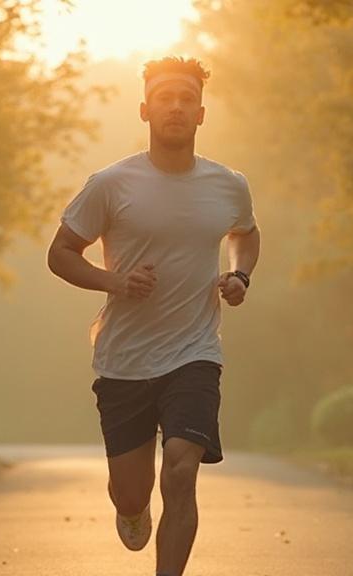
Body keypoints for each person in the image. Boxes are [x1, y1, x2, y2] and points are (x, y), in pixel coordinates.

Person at [46, 56, 260, 576]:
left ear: (201, 114)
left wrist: (240, 275)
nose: (176, 107)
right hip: (125, 360)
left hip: (195, 353)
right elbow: (61, 253)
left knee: (182, 472)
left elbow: (246, 232)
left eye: (188, 99)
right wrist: (114, 281)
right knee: (131, 493)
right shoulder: (111, 184)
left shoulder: (228, 184)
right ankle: (131, 508)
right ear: (145, 110)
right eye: (165, 98)